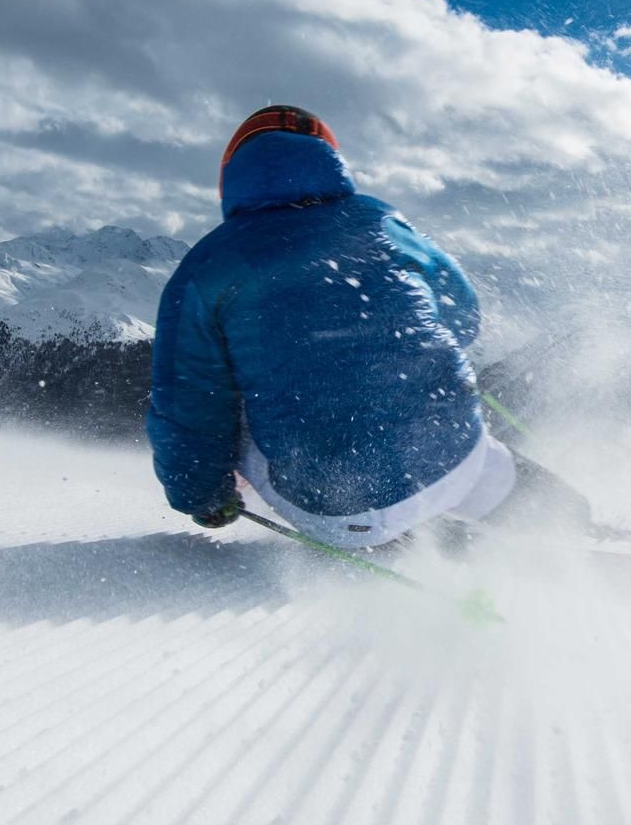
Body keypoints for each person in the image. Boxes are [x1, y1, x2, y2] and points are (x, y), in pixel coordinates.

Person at [146, 104, 578, 550]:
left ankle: (411, 532)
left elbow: (188, 404)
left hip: (334, 503)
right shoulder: (382, 221)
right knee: (471, 456)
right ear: (330, 159)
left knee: (230, 405)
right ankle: (576, 524)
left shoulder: (205, 267)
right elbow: (463, 320)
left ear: (229, 176)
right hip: (455, 458)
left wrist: (203, 497)